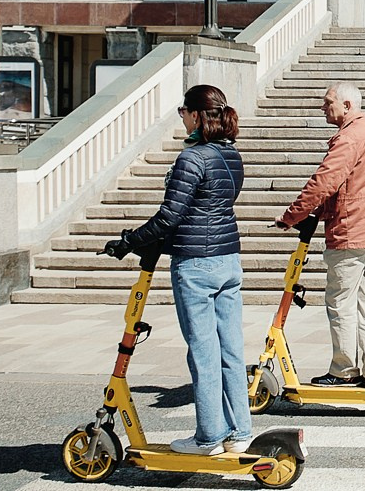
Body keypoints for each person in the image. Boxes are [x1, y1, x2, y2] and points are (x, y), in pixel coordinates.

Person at [104, 83, 249, 456]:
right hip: (229, 259)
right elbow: (208, 209)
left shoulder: (193, 158)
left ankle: (209, 438)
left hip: (196, 265)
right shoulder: (231, 156)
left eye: (183, 111)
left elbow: (170, 216)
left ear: (198, 115)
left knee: (202, 351)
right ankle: (239, 432)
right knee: (230, 350)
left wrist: (128, 241)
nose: (181, 117)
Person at [277, 80, 365, 386]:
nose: (323, 107)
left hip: (351, 230)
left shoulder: (350, 138)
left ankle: (344, 370)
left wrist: (292, 216)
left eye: (327, 102)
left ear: (347, 105)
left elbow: (323, 182)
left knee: (341, 301)